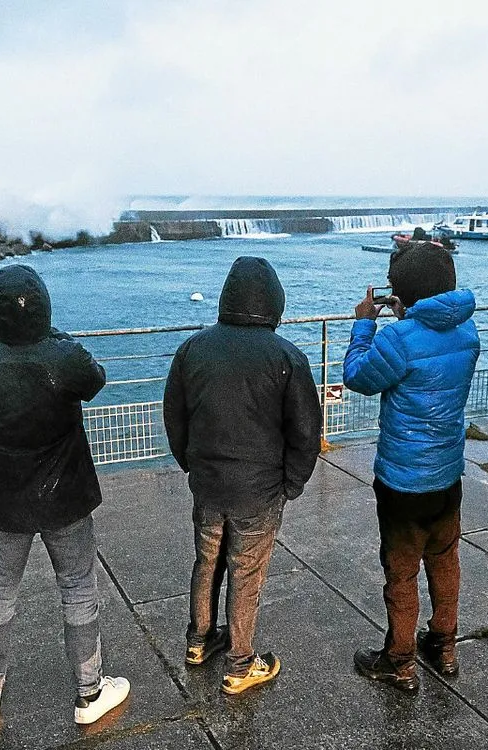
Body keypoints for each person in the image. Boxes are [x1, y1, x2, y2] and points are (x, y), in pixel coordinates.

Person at [0, 264, 130, 726]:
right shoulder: (64, 358)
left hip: (2, 498)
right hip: (63, 494)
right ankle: (89, 694)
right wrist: (56, 338)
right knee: (77, 588)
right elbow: (96, 377)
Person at [163, 256, 322, 695]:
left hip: (208, 483)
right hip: (260, 490)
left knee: (207, 560)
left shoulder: (192, 349)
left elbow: (173, 416)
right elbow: (306, 431)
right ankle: (240, 663)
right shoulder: (288, 356)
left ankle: (199, 641)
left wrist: (190, 463)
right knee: (246, 574)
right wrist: (293, 482)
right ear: (274, 302)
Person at [343, 243, 481, 692]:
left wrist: (365, 324)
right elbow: (431, 359)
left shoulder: (396, 339)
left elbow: (359, 377)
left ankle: (399, 660)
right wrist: (411, 315)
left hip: (403, 480)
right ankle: (443, 645)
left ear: (403, 293)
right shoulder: (468, 332)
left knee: (401, 571)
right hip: (447, 472)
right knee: (445, 560)